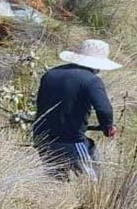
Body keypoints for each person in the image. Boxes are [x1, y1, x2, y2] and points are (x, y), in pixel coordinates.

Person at [33, 39, 121, 181]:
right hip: (70, 140)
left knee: (55, 181)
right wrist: (108, 126)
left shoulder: (50, 74)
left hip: (41, 137)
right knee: (91, 182)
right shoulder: (91, 80)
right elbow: (104, 110)